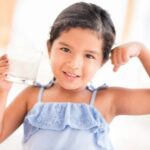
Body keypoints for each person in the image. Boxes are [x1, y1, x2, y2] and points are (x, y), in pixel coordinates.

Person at [0, 2, 150, 150]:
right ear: (49, 48)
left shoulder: (107, 100)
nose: (74, 64)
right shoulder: (31, 96)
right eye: (65, 49)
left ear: (102, 62)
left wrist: (140, 50)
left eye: (89, 56)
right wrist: (3, 91)